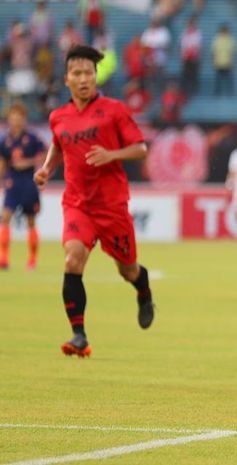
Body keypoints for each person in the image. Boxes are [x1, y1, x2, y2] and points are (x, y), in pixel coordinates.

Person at [33, 45, 156, 358]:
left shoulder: (114, 109)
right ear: (67, 80)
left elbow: (141, 148)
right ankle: (79, 335)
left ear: (95, 77)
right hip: (77, 204)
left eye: (89, 72)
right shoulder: (58, 116)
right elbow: (59, 145)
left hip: (112, 206)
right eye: (77, 73)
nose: (84, 78)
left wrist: (111, 154)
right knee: (73, 259)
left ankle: (143, 290)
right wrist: (47, 168)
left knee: (127, 270)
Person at [0, 102, 46, 270]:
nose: (15, 121)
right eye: (12, 118)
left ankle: (32, 259)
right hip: (12, 184)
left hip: (29, 183)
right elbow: (3, 162)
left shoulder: (32, 138)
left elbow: (45, 155)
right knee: (5, 218)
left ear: (24, 119)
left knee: (31, 221)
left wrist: (27, 163)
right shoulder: (5, 140)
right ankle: (3, 258)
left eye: (18, 118)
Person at [212, 24, 236, 96]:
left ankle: (230, 92)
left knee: (228, 79)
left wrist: (232, 62)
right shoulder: (217, 39)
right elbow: (214, 52)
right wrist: (214, 61)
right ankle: (217, 93)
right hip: (219, 62)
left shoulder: (230, 39)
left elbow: (232, 52)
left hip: (227, 62)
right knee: (218, 79)